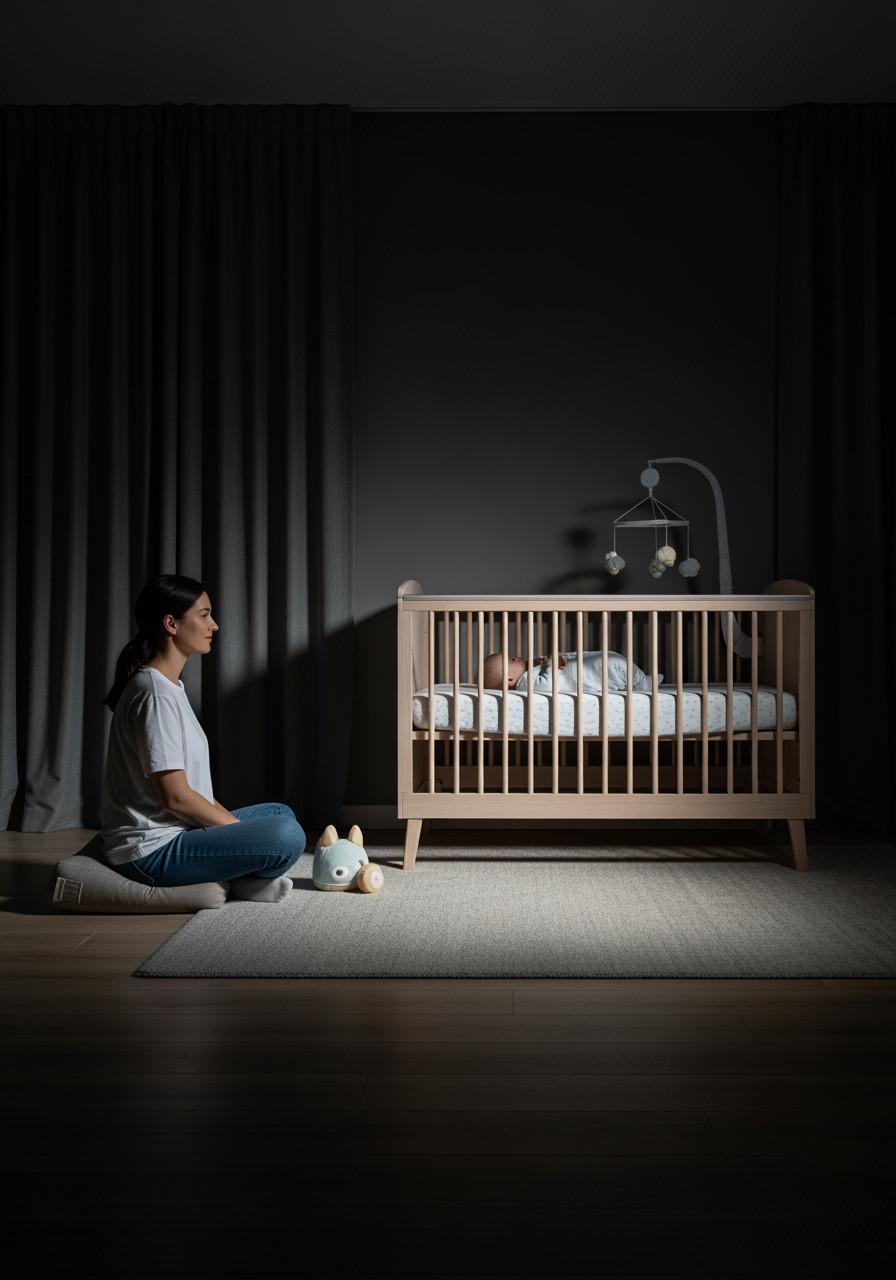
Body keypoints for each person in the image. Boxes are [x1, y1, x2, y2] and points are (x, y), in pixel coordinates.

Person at [100, 575, 305, 902]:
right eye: (204, 615)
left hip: (179, 830)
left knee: (280, 814)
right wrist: (238, 832)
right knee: (287, 836)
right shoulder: (155, 695)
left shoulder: (170, 687)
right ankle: (242, 879)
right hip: (150, 852)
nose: (215, 625)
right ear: (171, 624)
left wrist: (237, 830)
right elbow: (177, 799)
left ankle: (238, 878)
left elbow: (193, 792)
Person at [479, 651, 660, 693]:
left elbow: (542, 666)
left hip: (587, 667)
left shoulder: (529, 673)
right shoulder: (526, 684)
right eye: (512, 660)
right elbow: (547, 686)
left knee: (610, 661)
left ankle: (641, 682)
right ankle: (642, 684)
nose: (516, 657)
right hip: (593, 672)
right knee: (612, 665)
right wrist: (549, 665)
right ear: (510, 680)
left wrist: (541, 661)